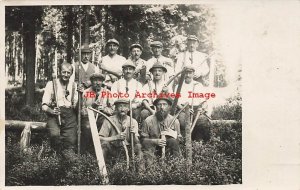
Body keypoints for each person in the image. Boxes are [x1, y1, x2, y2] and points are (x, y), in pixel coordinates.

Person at [42, 62, 78, 160]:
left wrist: (80, 98)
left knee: (70, 140)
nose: (66, 75)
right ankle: (55, 158)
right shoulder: (51, 84)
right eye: (64, 72)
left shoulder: (74, 86)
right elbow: (44, 105)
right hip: (54, 115)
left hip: (69, 115)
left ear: (71, 74)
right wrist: (51, 110)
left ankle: (66, 160)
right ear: (59, 72)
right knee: (55, 136)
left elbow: (75, 105)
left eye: (68, 73)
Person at [99, 99, 143, 168]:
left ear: (128, 109)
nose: (122, 109)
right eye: (120, 106)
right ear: (116, 109)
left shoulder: (133, 121)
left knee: (138, 147)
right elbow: (100, 139)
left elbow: (137, 142)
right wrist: (115, 137)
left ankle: (141, 174)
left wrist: (133, 134)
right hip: (113, 149)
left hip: (127, 150)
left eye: (125, 106)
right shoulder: (109, 120)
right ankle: (101, 169)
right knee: (104, 144)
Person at [140, 97, 182, 166]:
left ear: (169, 107)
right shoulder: (148, 120)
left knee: (173, 142)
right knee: (148, 160)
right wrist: (155, 141)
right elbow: (142, 141)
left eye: (164, 104)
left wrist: (173, 135)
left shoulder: (175, 121)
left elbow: (179, 141)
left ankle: (175, 168)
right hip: (152, 148)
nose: (162, 107)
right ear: (156, 107)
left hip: (168, 148)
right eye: (159, 105)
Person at [174, 66, 211, 142]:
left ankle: (198, 141)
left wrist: (202, 108)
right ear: (183, 74)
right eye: (186, 73)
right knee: (182, 121)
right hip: (183, 109)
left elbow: (204, 101)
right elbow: (176, 101)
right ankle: (185, 141)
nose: (187, 75)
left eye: (190, 73)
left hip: (197, 109)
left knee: (202, 121)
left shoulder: (198, 85)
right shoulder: (178, 86)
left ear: (193, 74)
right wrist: (184, 109)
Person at [81, 73, 114, 154]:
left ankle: (103, 151)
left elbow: (113, 110)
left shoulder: (107, 92)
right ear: (91, 81)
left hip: (102, 118)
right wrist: (93, 106)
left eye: (100, 80)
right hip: (88, 118)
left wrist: (104, 109)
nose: (97, 83)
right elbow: (82, 112)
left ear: (102, 82)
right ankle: (85, 152)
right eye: (95, 80)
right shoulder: (85, 92)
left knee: (105, 126)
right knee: (88, 127)